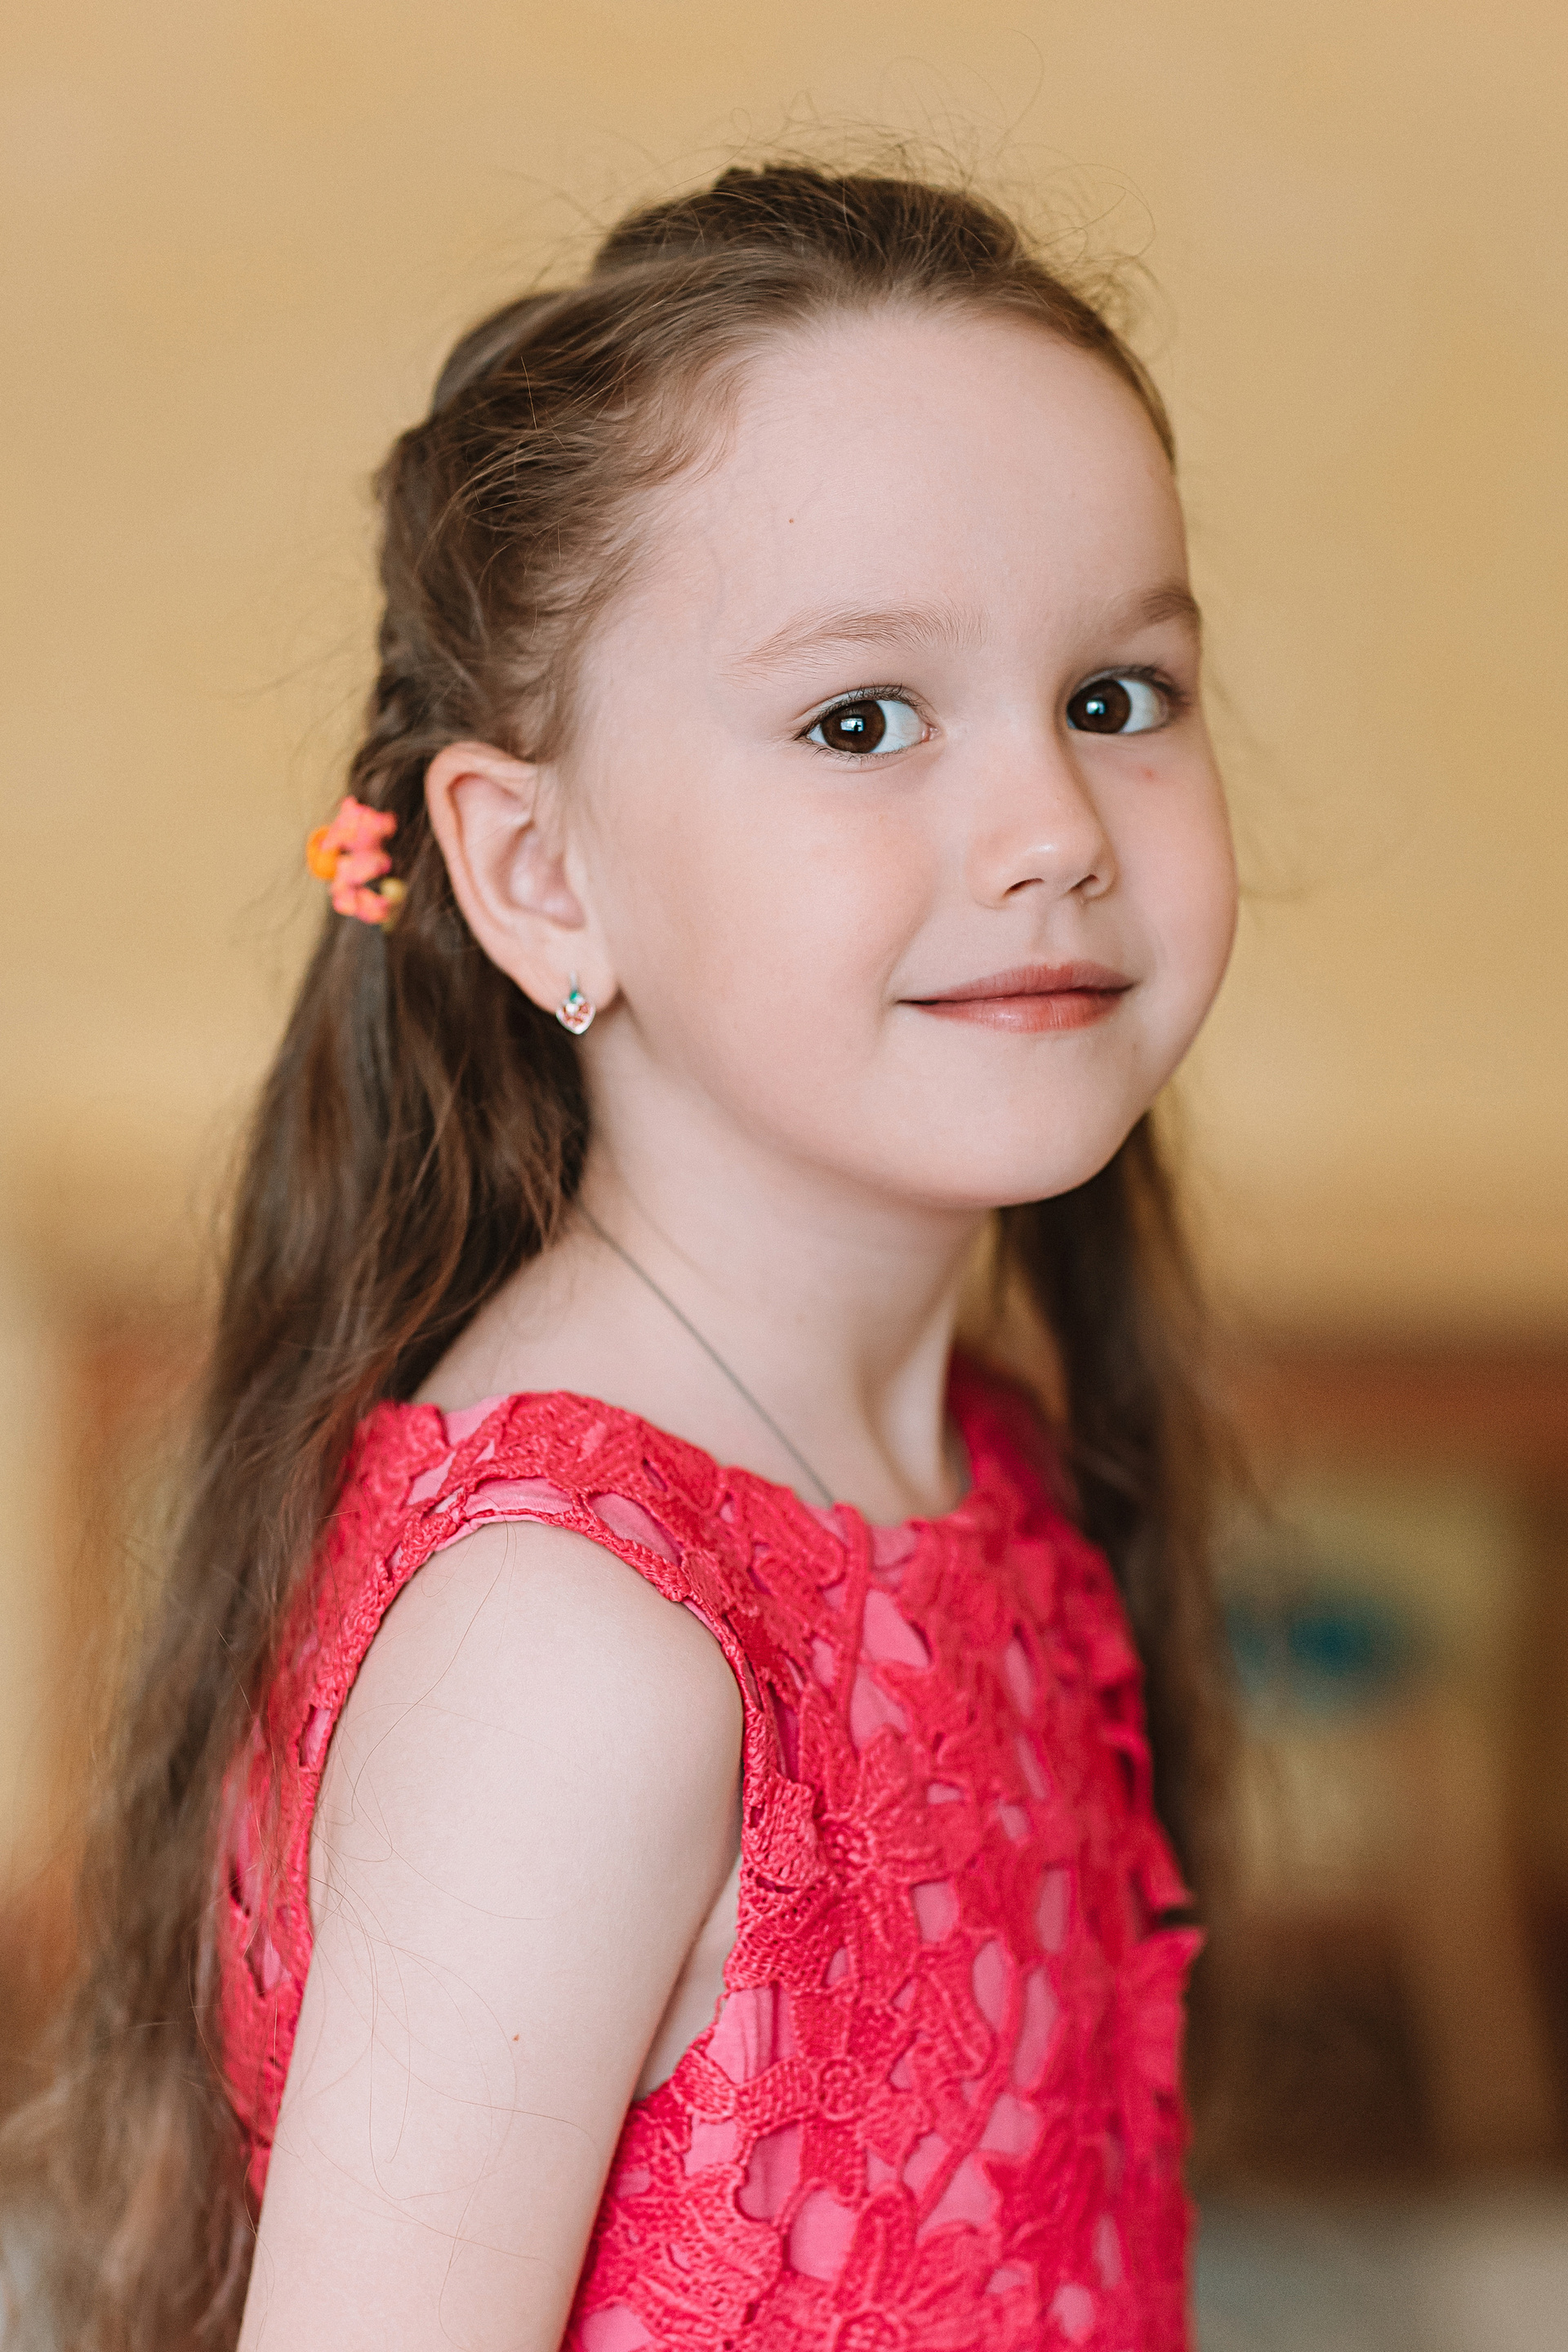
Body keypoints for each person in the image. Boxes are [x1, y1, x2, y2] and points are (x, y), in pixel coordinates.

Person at [5, 163, 1239, 2351]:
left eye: (1118, 695)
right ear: (538, 873)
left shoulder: (979, 1460)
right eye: (863, 719)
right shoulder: (576, 1657)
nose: (1055, 828)